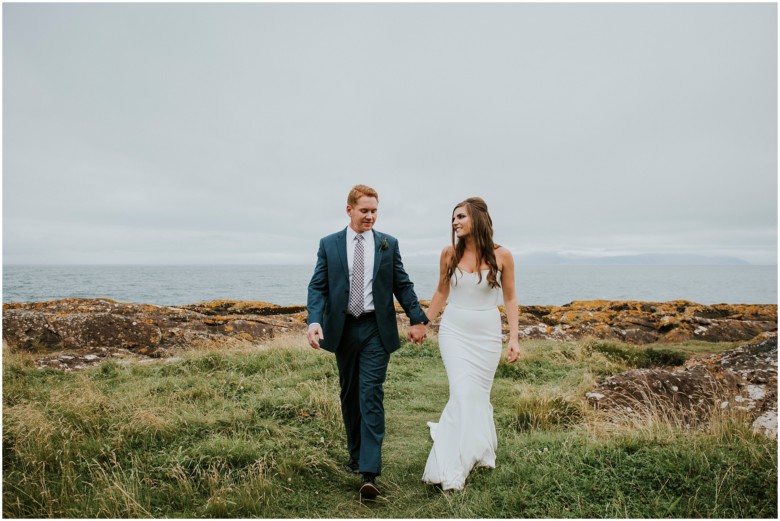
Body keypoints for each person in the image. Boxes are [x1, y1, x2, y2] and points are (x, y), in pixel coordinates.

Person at [306, 184, 429, 500]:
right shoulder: (329, 244)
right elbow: (318, 287)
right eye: (364, 210)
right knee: (349, 394)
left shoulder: (388, 244)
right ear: (349, 209)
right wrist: (315, 320)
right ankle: (356, 454)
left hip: (376, 328)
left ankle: (369, 473)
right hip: (343, 329)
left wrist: (417, 318)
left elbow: (402, 284)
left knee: (370, 393)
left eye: (374, 210)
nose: (370, 216)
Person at [421, 196, 520, 491]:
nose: (455, 222)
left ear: (477, 218)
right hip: (454, 332)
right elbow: (441, 292)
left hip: (487, 335)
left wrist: (513, 338)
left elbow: (511, 298)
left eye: (461, 216)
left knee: (477, 395)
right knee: (462, 393)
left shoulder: (503, 256)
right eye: (453, 218)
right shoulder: (449, 254)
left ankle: (478, 448)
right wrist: (422, 323)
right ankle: (451, 470)